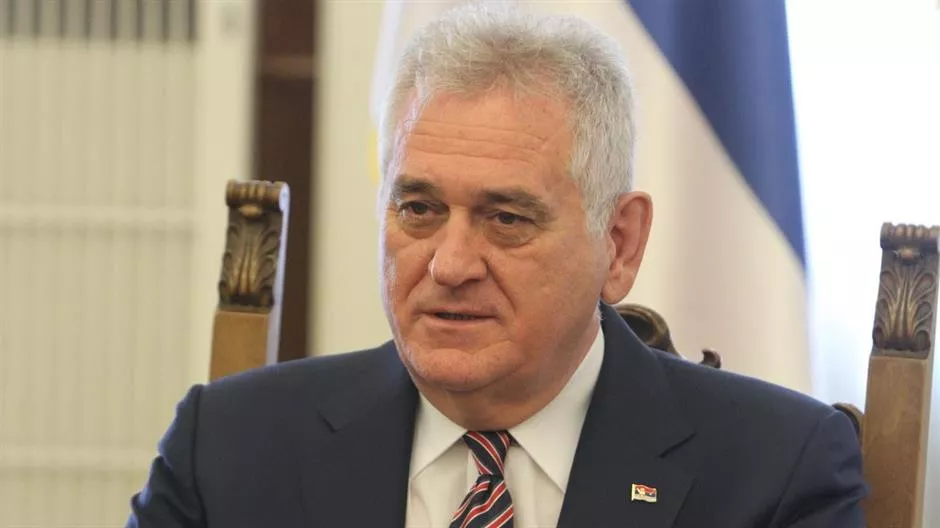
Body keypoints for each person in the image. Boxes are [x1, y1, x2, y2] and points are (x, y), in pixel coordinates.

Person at [126, 5, 866, 527]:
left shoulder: (775, 473)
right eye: (419, 209)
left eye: (507, 219)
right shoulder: (227, 447)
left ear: (619, 244)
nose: (449, 265)